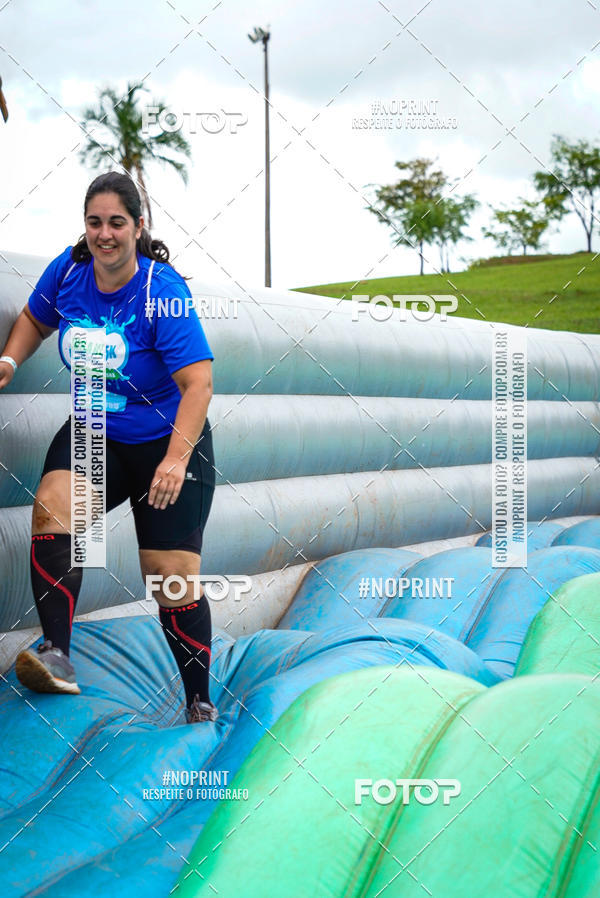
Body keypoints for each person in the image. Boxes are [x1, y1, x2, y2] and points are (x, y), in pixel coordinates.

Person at [0, 171, 218, 724]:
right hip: (96, 431)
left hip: (167, 443)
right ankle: (57, 655)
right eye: (94, 222)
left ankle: (199, 698)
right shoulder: (70, 272)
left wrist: (175, 460)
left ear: (137, 227)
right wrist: (8, 360)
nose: (104, 233)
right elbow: (34, 318)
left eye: (116, 222)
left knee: (168, 578)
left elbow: (200, 384)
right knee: (54, 504)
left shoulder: (159, 290)